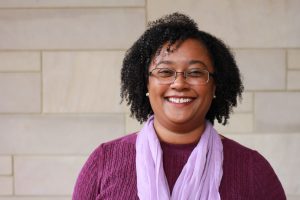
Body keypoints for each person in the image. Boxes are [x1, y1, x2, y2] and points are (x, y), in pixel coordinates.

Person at [72, 13, 286, 200]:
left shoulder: (252, 168)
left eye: (195, 73)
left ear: (215, 86)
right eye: (165, 72)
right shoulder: (104, 161)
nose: (180, 84)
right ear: (145, 84)